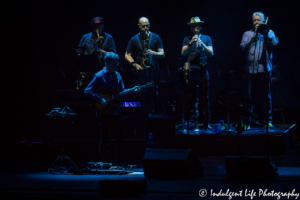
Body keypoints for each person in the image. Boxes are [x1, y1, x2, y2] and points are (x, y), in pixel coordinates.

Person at [84, 52, 136, 164]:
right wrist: (100, 99)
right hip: (104, 111)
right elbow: (87, 91)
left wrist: (131, 91)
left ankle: (119, 161)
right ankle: (105, 161)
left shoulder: (117, 75)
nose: (116, 65)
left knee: (119, 137)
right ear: (107, 63)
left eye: (117, 63)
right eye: (114, 63)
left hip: (116, 110)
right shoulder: (99, 75)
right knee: (104, 138)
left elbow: (122, 92)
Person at [240, 12, 279, 129]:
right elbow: (242, 47)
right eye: (254, 20)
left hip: (265, 70)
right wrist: (253, 38)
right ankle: (246, 122)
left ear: (263, 21)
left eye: (258, 20)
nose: (256, 22)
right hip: (250, 70)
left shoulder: (269, 32)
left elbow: (275, 42)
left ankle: (268, 121)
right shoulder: (247, 33)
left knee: (266, 96)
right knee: (248, 97)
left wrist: (265, 34)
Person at [181, 16, 213, 129]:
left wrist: (202, 44)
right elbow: (183, 53)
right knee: (190, 96)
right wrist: (191, 43)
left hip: (203, 69)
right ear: (191, 28)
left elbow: (211, 53)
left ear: (201, 28)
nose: (196, 29)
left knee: (205, 96)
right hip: (191, 69)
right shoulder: (187, 39)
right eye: (194, 27)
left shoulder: (206, 38)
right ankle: (190, 121)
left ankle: (206, 122)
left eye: (198, 27)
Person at [77, 17, 117, 88]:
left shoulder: (108, 37)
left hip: (104, 70)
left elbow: (114, 55)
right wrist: (81, 69)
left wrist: (103, 52)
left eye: (99, 25)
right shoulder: (85, 37)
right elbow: (78, 54)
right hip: (88, 71)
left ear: (103, 25)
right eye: (94, 25)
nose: (96, 27)